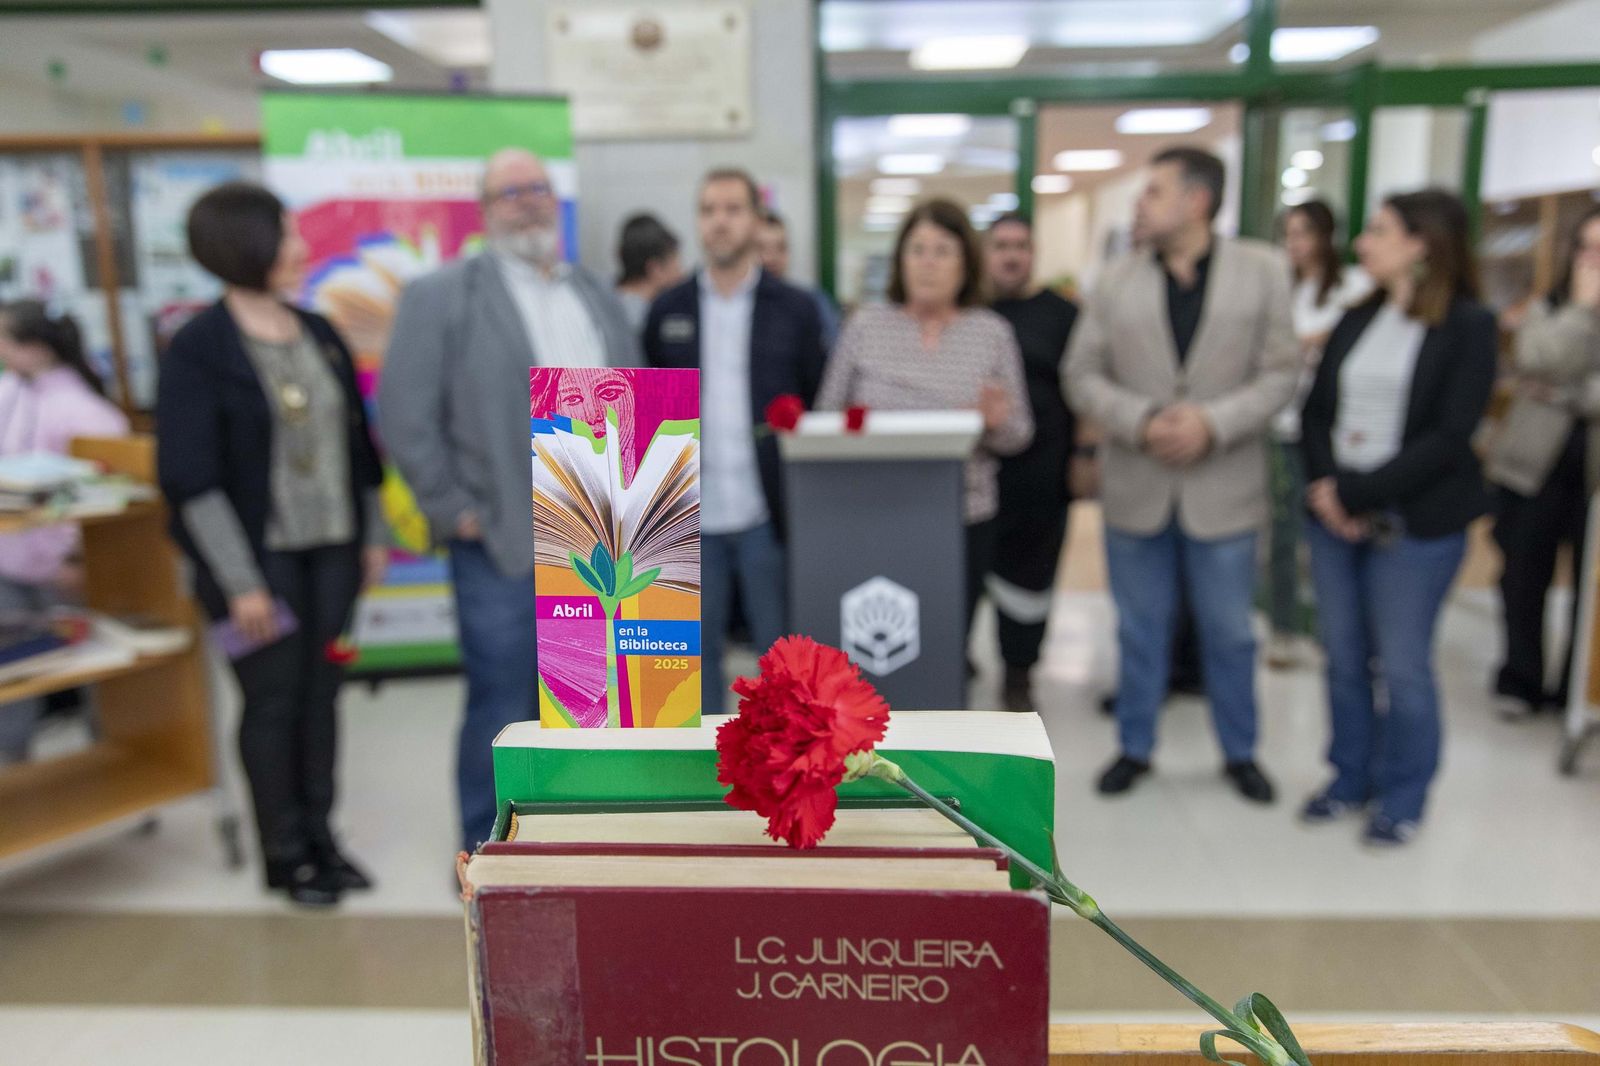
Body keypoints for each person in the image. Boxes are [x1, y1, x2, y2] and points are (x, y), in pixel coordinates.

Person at [381, 149, 640, 853]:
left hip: (596, 537)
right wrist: (452, 506)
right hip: (500, 538)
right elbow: (405, 415)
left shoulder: (594, 292)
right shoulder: (442, 295)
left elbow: (635, 395)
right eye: (509, 191)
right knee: (502, 703)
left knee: (587, 699)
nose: (527, 201)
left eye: (538, 189)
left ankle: (571, 838)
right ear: (486, 208)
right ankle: (485, 849)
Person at [157, 182, 388, 905]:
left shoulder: (318, 331)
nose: (300, 248)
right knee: (271, 703)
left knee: (322, 697)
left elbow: (360, 449)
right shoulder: (199, 347)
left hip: (333, 554)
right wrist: (239, 582)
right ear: (243, 245)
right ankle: (284, 854)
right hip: (257, 564)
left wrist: (371, 537)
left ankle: (323, 835)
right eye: (286, 235)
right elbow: (190, 480)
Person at [1064, 147, 1297, 802]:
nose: (1141, 204)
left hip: (1224, 488)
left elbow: (1282, 372)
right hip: (1138, 485)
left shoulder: (1262, 271)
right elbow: (1080, 374)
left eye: (1154, 191)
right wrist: (1142, 420)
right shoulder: (1115, 280)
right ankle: (1135, 746)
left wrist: (1212, 423)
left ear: (1198, 201)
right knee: (1139, 629)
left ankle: (1240, 751)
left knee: (1229, 632)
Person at [1301, 188, 1497, 846]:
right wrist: (1329, 488)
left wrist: (1357, 494)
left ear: (1422, 243)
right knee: (1343, 657)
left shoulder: (1469, 325)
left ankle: (1405, 793)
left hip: (1418, 522)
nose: (1362, 244)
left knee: (1406, 664)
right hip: (1336, 516)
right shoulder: (1359, 317)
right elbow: (1316, 412)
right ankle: (1349, 776)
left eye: (1379, 231)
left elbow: (1449, 437)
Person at [818, 198, 1033, 670]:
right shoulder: (865, 326)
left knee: (942, 649)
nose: (928, 263)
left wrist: (995, 422)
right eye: (917, 250)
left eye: (942, 250)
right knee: (876, 653)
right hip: (873, 513)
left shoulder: (991, 333)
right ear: (900, 260)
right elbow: (825, 416)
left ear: (966, 262)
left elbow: (1019, 433)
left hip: (963, 514)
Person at [643, 168, 827, 714]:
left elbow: (816, 401)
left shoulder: (794, 309)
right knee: (691, 665)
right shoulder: (667, 309)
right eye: (708, 210)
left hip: (765, 515)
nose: (719, 222)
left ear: (754, 218)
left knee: (779, 660)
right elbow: (647, 410)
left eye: (732, 209)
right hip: (687, 519)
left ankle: (777, 770)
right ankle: (697, 779)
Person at [0, 301, 129, 765]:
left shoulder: (85, 411)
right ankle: (13, 777)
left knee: (94, 668)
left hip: (64, 569)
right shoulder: (9, 393)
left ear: (36, 348)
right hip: (9, 564)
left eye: (6, 340)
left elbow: (108, 495)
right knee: (13, 675)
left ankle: (113, 764)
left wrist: (76, 558)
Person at [1486, 205, 1600, 719]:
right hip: (1532, 464)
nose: (1593, 261)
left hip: (1591, 472)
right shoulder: (1550, 305)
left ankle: (1576, 689)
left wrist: (1564, 391)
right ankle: (1521, 678)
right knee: (1522, 576)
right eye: (1587, 248)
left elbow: (1558, 377)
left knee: (1590, 587)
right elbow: (1533, 358)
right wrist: (1582, 310)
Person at [1266, 201, 1373, 669]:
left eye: (1303, 233)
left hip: (1339, 430)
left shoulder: (1354, 287)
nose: (1295, 244)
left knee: (1335, 528)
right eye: (1288, 234)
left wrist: (1306, 344)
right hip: (1286, 423)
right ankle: (1285, 629)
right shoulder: (1281, 290)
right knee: (1285, 530)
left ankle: (1341, 635)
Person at [981, 212, 1078, 712]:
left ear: (1033, 253)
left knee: (1031, 581)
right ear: (986, 252)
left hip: (1041, 478)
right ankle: (960, 659)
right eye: (1001, 245)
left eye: (1021, 245)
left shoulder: (1061, 315)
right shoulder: (970, 312)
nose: (1011, 255)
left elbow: (1080, 393)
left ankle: (1019, 672)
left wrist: (1084, 460)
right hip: (977, 476)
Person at [757, 207, 841, 352]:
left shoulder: (813, 302)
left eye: (781, 248)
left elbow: (835, 360)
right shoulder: (735, 306)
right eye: (762, 248)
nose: (772, 258)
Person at [615, 213, 683, 337]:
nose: (681, 274)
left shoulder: (602, 304)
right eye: (675, 263)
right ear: (655, 269)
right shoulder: (649, 321)